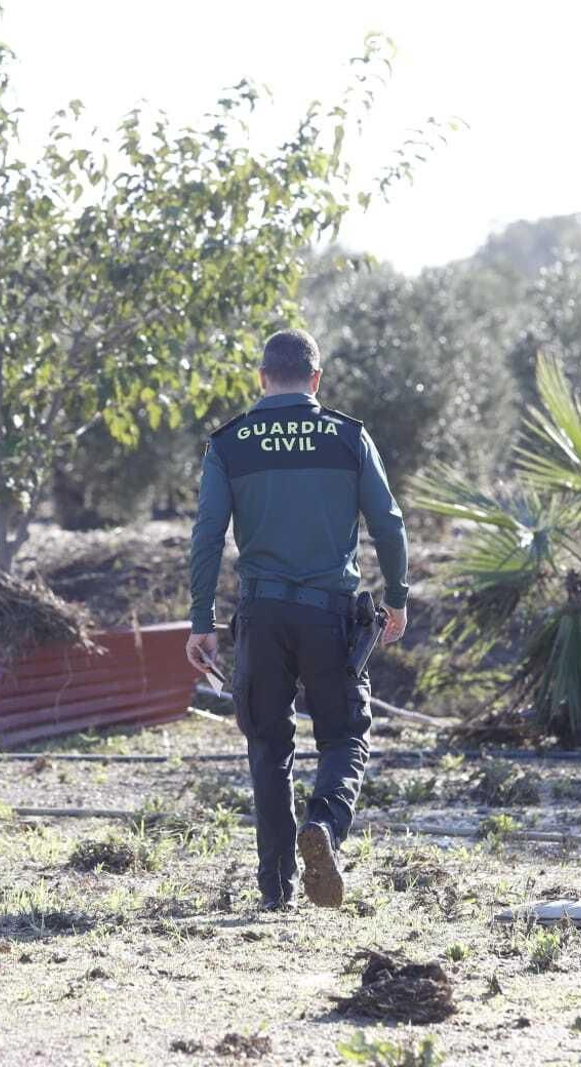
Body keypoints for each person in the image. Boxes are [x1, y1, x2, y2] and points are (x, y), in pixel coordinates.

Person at [184, 327, 409, 911]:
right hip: (331, 614)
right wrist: (399, 598)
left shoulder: (229, 443)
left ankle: (275, 888)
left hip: (259, 615)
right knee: (344, 735)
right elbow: (389, 523)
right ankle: (326, 828)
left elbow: (207, 535)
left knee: (268, 746)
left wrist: (201, 619)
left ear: (262, 378)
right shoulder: (347, 436)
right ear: (316, 379)